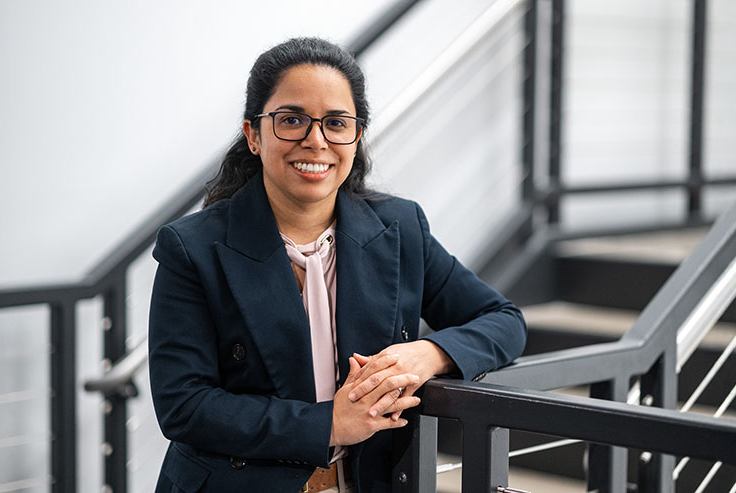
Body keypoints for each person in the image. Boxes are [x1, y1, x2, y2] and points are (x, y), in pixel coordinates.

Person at [148, 37, 527, 493]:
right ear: (253, 135)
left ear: (356, 136)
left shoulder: (401, 226)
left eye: (336, 123)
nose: (315, 140)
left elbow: (504, 321)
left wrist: (429, 354)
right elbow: (184, 405)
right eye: (291, 120)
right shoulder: (191, 247)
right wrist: (328, 424)